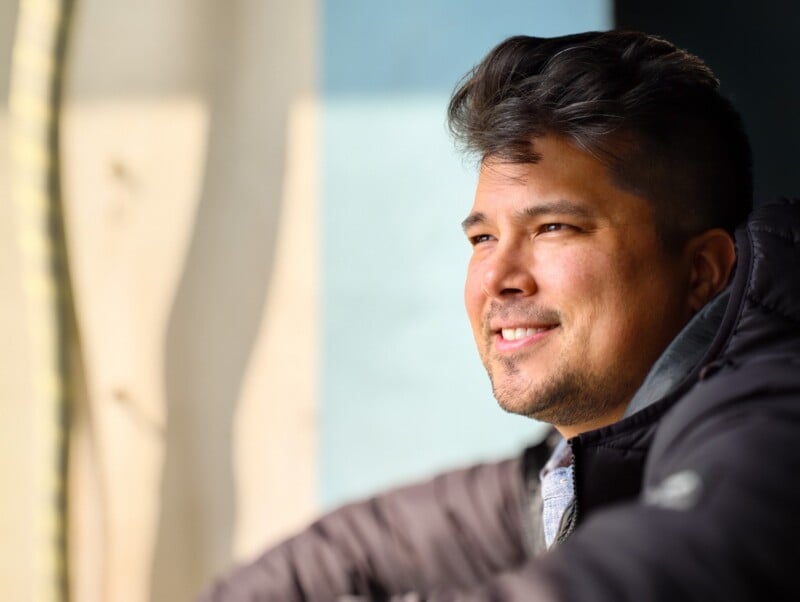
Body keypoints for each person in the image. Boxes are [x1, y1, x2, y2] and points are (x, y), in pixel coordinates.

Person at [200, 30, 800, 601]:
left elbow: (651, 573)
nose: (497, 278)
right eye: (483, 238)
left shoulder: (769, 415)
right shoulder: (576, 463)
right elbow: (360, 549)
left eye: (553, 227)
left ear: (701, 272)